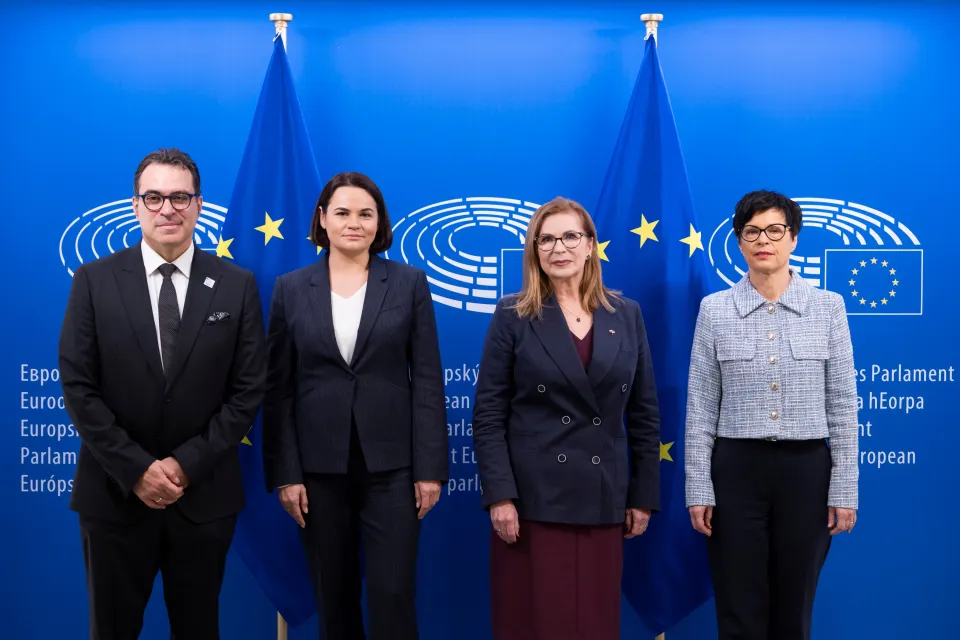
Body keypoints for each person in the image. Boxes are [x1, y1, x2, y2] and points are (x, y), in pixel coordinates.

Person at [58, 148, 266, 639]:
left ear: (197, 205)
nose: (166, 209)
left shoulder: (236, 285)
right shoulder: (94, 280)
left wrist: (182, 466)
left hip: (203, 500)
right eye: (154, 197)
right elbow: (79, 385)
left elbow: (247, 390)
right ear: (136, 205)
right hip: (113, 497)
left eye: (179, 197)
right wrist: (136, 469)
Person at [262, 171, 447, 640]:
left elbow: (427, 380)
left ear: (380, 222)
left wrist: (430, 468)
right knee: (334, 598)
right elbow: (278, 388)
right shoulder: (289, 288)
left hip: (394, 470)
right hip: (318, 471)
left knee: (393, 597)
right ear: (322, 219)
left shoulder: (409, 283)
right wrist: (286, 473)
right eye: (342, 212)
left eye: (366, 213)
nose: (354, 223)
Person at [472, 196, 661, 640]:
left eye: (571, 236)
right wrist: (500, 496)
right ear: (535, 250)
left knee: (593, 624)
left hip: (603, 499)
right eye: (547, 239)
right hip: (532, 504)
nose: (560, 248)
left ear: (591, 244)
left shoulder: (626, 313)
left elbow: (645, 413)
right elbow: (488, 414)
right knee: (534, 622)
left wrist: (642, 496)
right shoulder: (513, 314)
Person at [685, 190, 859, 640]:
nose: (765, 240)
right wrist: (698, 486)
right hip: (735, 472)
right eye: (752, 232)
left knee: (794, 606)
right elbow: (701, 406)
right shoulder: (715, 310)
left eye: (775, 230)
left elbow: (842, 402)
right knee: (738, 604)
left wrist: (845, 488)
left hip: (806, 472)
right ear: (740, 243)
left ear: (793, 238)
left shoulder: (828, 307)